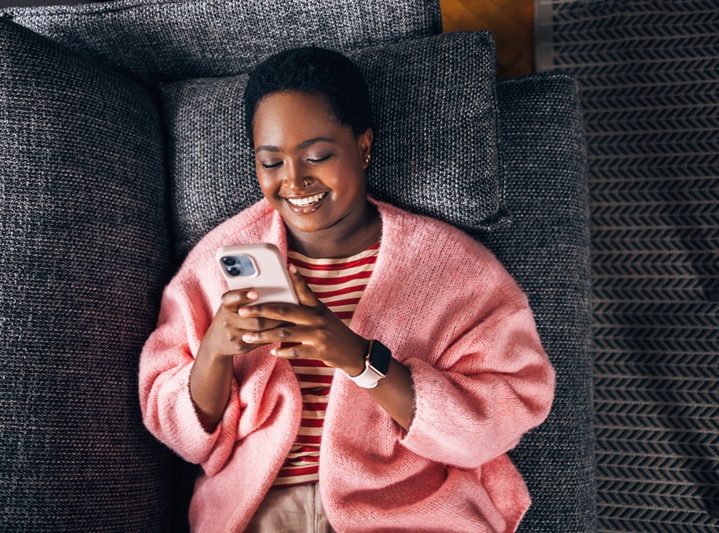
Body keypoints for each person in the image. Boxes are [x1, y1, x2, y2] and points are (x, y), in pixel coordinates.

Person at [139, 47, 555, 533]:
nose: (294, 181)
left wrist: (358, 358)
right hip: (261, 510)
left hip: (404, 510)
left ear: (362, 145)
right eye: (271, 162)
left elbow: (501, 416)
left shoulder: (456, 273)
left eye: (317, 156)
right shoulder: (218, 265)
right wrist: (214, 353)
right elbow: (181, 433)